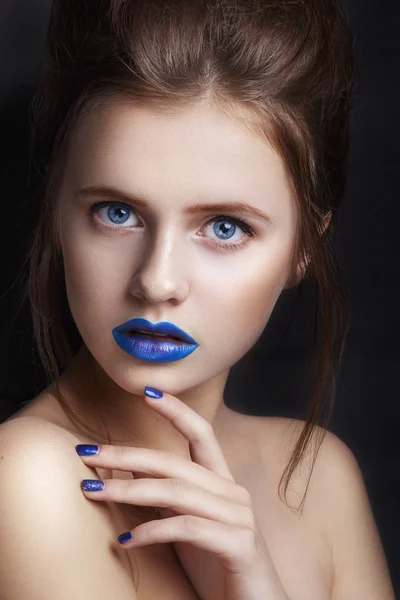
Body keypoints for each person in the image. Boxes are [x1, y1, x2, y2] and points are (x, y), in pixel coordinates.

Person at [0, 0, 395, 598]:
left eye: (226, 227)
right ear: (57, 210)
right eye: (118, 213)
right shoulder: (27, 479)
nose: (157, 281)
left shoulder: (319, 475)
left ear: (304, 248)